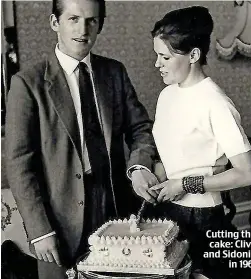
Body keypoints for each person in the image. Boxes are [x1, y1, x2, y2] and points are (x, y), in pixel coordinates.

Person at [5, 0, 159, 278]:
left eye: (92, 20)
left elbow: (141, 128)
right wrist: (40, 231)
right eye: (73, 19)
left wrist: (138, 167)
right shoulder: (28, 84)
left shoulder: (115, 73)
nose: (83, 29)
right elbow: (18, 165)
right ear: (55, 23)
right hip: (59, 219)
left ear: (100, 24)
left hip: (115, 205)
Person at [148, 6, 251, 279]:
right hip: (167, 213)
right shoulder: (167, 95)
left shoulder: (216, 103)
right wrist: (155, 179)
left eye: (164, 57)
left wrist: (185, 184)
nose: (157, 64)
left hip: (203, 218)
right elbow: (171, 156)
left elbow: (247, 173)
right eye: (156, 56)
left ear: (194, 55)